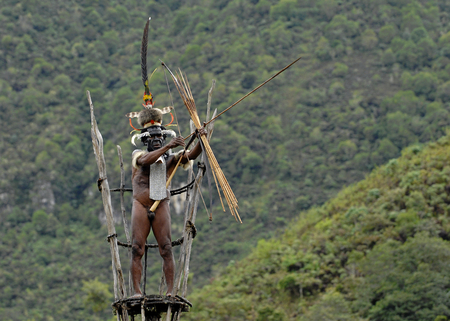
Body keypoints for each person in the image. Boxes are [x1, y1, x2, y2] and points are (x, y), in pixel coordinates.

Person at [130, 108, 206, 298]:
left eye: (160, 137)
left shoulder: (170, 159)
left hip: (161, 203)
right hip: (141, 204)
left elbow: (191, 155)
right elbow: (146, 161)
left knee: (166, 247)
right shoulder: (138, 155)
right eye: (152, 137)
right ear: (145, 140)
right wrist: (168, 146)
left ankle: (171, 291)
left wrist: (202, 139)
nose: (157, 140)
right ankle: (137, 292)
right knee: (137, 248)